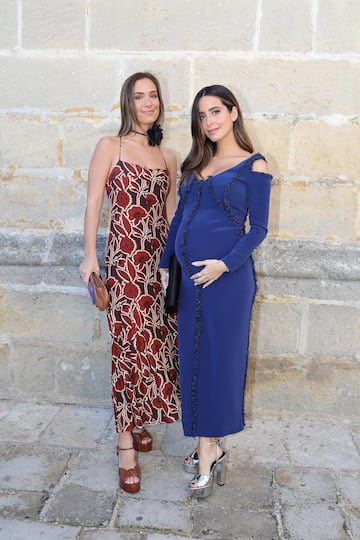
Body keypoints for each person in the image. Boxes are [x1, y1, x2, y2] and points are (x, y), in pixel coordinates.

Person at [159, 84, 272, 498]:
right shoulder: (195, 164)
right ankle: (209, 444)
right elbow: (178, 222)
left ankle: (208, 448)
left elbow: (258, 229)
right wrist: (164, 267)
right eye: (202, 116)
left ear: (234, 112)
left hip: (227, 283)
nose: (209, 122)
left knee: (218, 362)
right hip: (189, 282)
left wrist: (225, 263)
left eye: (215, 112)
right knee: (191, 359)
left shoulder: (254, 166)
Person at [79, 72, 180, 494]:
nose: (148, 102)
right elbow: (93, 202)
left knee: (154, 344)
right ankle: (126, 446)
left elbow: (171, 214)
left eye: (153, 95)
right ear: (128, 103)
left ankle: (136, 420)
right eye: (139, 96)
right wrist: (89, 256)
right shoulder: (110, 146)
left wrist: (174, 262)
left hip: (156, 266)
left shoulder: (168, 156)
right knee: (127, 348)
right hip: (122, 264)